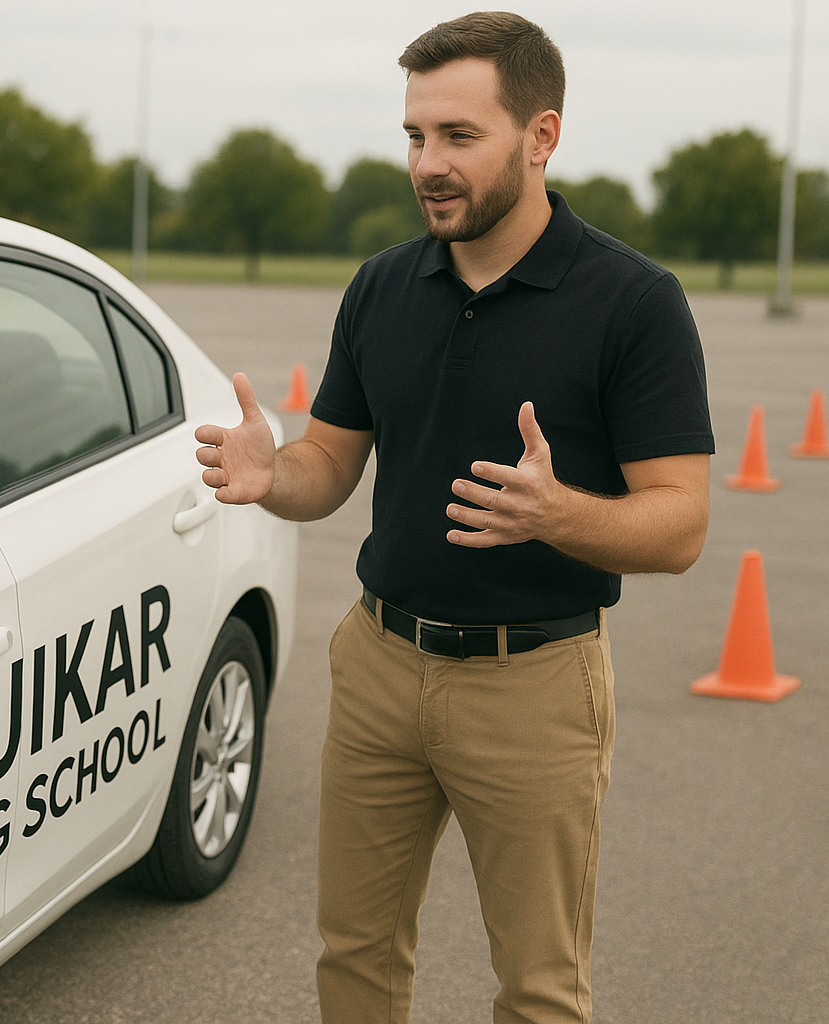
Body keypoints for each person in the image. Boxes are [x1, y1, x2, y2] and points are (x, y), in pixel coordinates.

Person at [195, 12, 712, 1024]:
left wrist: (560, 514)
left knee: (538, 987)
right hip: (382, 666)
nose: (429, 164)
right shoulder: (384, 285)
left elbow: (682, 524)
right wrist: (273, 473)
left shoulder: (633, 302)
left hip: (535, 686)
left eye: (458, 137)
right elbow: (328, 468)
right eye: (415, 136)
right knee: (355, 957)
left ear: (540, 136)